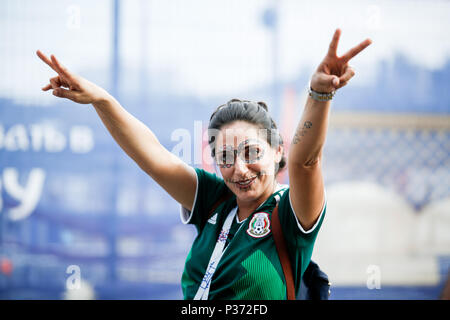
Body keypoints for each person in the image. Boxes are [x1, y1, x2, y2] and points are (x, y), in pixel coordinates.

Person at [37, 28, 371, 300]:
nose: (239, 169)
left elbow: (306, 163)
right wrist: (102, 99)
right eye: (225, 157)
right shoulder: (216, 199)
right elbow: (152, 158)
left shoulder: (289, 212)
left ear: (277, 150)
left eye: (252, 152)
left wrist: (318, 94)